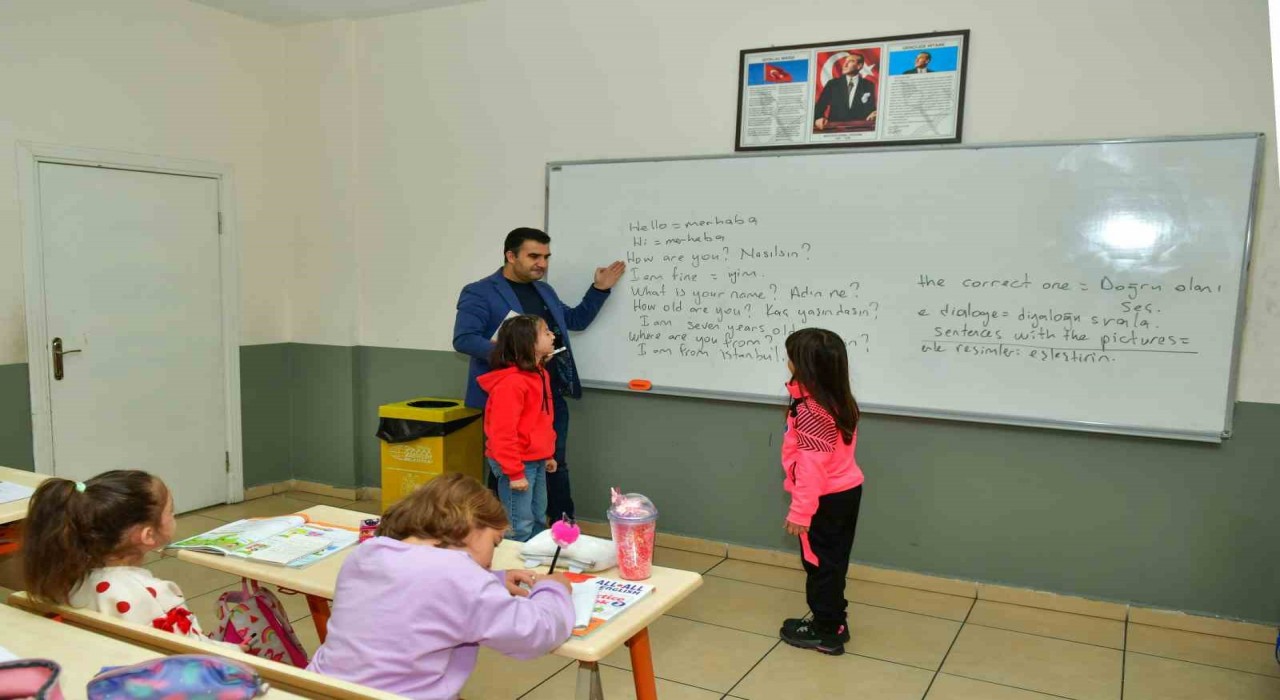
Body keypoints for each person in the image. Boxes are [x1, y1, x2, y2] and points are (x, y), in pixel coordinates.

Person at [308, 473, 574, 699]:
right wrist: (553, 589)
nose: (491, 559)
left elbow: (418, 587)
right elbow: (535, 633)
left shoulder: (365, 554)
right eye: (494, 543)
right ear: (472, 525)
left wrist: (492, 580)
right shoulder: (461, 579)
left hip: (321, 691)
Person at [454, 227, 625, 523]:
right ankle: (500, 531)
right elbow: (464, 339)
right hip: (511, 397)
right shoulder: (479, 291)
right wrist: (516, 354)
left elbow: (574, 320)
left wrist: (599, 289)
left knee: (555, 463)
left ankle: (563, 530)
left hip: (548, 393)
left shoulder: (544, 290)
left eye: (546, 257)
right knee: (508, 467)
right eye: (534, 256)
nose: (542, 264)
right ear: (511, 256)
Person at [22, 470, 214, 641]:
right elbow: (193, 651)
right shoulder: (154, 594)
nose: (173, 516)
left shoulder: (64, 576)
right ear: (148, 535)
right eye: (171, 512)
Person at [777, 329, 866, 656]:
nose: (787, 362)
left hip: (824, 500)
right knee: (832, 562)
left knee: (820, 566)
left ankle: (827, 632)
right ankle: (834, 622)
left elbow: (812, 468)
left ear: (806, 367)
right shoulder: (835, 399)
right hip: (844, 493)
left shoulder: (814, 412)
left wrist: (801, 513)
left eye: (791, 358)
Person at [479, 314, 558, 541]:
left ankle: (534, 558)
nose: (552, 336)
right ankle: (513, 560)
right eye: (546, 332)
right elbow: (502, 434)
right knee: (519, 524)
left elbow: (542, 419)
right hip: (516, 462)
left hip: (535, 458)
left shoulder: (540, 374)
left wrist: (547, 454)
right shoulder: (512, 384)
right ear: (528, 343)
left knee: (538, 517)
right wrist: (514, 473)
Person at [813, 53, 877, 130]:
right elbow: (819, 107)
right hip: (834, 130)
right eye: (845, 61)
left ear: (859, 66)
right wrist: (818, 118)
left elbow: (871, 109)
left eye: (850, 61)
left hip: (859, 129)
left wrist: (874, 113)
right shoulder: (833, 84)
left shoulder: (868, 85)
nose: (845, 64)